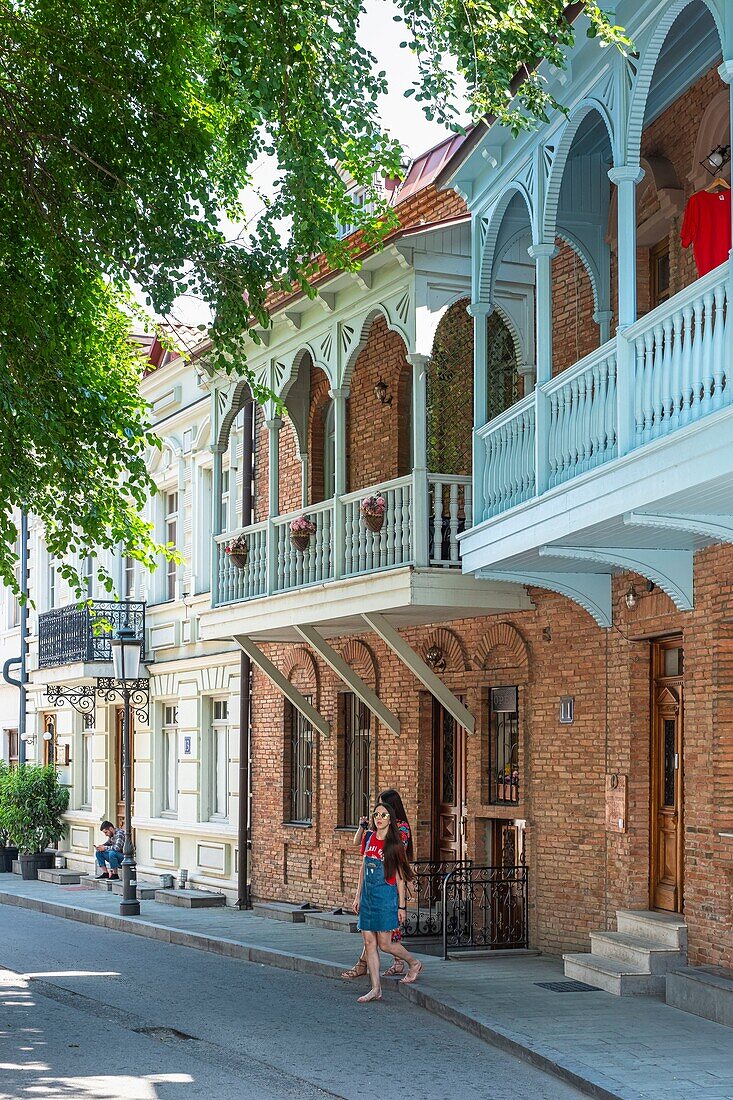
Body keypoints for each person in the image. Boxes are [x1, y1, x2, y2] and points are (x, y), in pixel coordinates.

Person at [352, 801, 422, 1003]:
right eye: (376, 815)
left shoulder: (394, 845)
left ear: (390, 820)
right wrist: (357, 896)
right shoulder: (369, 838)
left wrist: (401, 906)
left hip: (385, 897)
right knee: (368, 942)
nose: (379, 818)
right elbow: (363, 869)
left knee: (385, 944)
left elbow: (400, 878)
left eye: (383, 815)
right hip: (367, 897)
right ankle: (375, 989)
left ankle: (414, 962)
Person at [341, 788, 413, 980]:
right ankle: (372, 967)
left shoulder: (401, 829)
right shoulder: (377, 830)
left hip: (390, 883)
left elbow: (395, 858)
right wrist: (363, 827)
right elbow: (360, 845)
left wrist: (402, 905)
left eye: (384, 808)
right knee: (373, 935)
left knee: (385, 935)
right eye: (377, 812)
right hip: (373, 888)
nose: (380, 813)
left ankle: (400, 963)